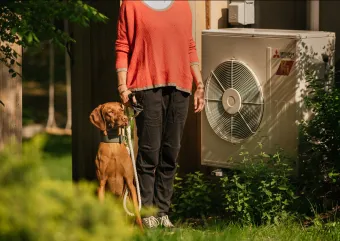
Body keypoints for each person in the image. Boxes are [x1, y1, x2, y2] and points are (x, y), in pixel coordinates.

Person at [115, 0, 205, 229]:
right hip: (145, 87)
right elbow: (122, 46)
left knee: (170, 153)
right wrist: (123, 87)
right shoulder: (131, 5)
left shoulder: (183, 5)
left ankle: (163, 212)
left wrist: (200, 84)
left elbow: (189, 46)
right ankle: (147, 213)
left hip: (181, 88)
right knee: (149, 152)